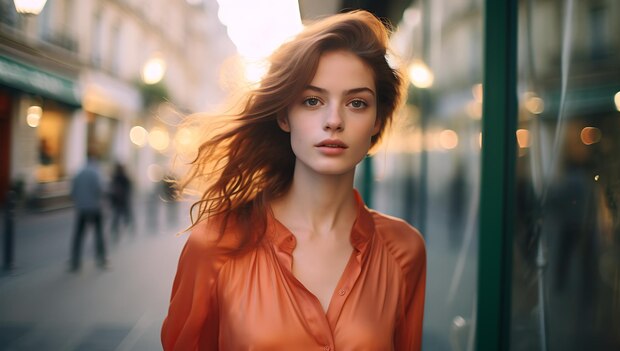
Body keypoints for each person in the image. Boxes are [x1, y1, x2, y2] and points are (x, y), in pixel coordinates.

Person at [161, 10, 426, 350]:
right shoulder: (215, 244)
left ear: (377, 121)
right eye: (312, 101)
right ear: (284, 115)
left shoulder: (404, 250)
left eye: (357, 103)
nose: (334, 121)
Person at [69, 151, 108, 271]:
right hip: (95, 207)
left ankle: (75, 261)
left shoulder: (79, 172)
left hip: (82, 208)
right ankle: (101, 259)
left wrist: (80, 201)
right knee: (99, 234)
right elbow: (101, 189)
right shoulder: (96, 172)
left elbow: (73, 191)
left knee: (79, 235)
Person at [109, 162, 133, 240]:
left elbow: (112, 189)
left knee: (117, 216)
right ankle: (128, 227)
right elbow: (128, 188)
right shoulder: (124, 177)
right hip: (123, 200)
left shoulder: (115, 177)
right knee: (124, 216)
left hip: (118, 201)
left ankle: (116, 230)